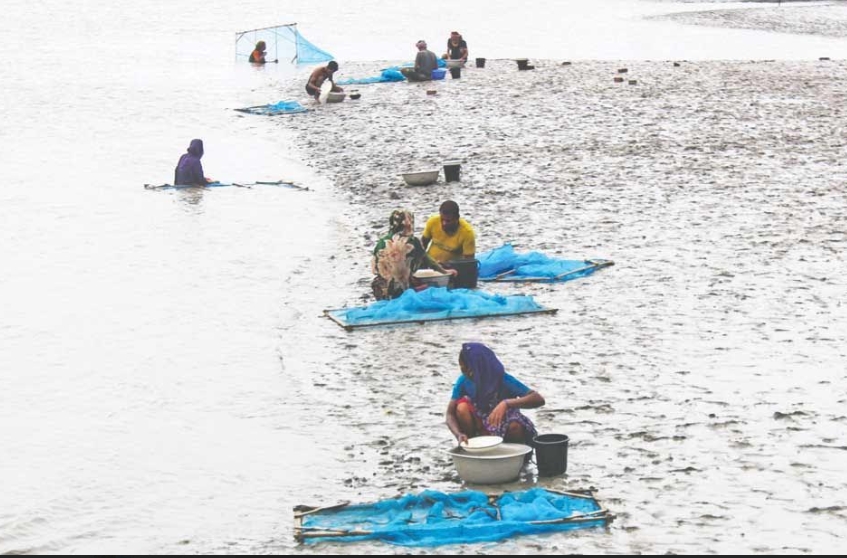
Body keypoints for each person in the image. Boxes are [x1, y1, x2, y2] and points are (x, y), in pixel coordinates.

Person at [446, 343, 545, 445]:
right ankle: (472, 444)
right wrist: (458, 434)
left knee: (515, 427)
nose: (468, 373)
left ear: (482, 367)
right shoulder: (464, 381)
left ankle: (513, 451)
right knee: (462, 407)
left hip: (503, 424)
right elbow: (450, 414)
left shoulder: (503, 379)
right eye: (463, 369)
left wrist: (506, 403)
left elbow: (538, 399)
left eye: (471, 369)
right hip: (480, 425)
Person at [372, 210, 457, 300]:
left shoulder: (381, 242)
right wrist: (444, 272)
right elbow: (427, 260)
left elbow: (376, 268)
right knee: (427, 287)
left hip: (380, 288)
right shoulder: (412, 242)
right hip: (401, 288)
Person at [421, 200, 476, 264]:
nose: (444, 223)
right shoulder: (432, 222)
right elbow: (422, 246)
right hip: (430, 264)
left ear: (456, 219)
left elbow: (469, 262)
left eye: (448, 221)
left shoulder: (467, 233)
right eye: (442, 219)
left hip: (452, 267)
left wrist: (446, 266)